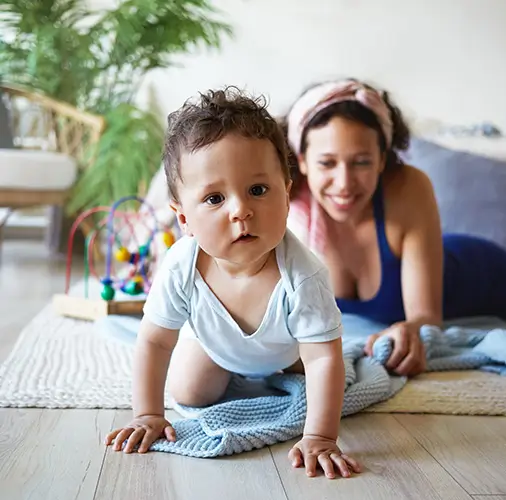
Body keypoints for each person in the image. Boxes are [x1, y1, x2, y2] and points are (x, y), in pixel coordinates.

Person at [105, 87, 361, 480]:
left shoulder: (303, 274)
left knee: (327, 371)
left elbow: (322, 358)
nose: (241, 210)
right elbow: (155, 341)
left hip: (288, 350)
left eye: (258, 190)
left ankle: (276, 375)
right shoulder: (181, 268)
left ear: (287, 195)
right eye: (213, 199)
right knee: (189, 391)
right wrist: (147, 414)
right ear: (183, 218)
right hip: (217, 350)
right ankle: (235, 375)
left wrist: (320, 436)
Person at [282, 78, 506, 377]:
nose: (344, 183)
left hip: (477, 274)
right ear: (303, 160)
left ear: (381, 159)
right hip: (440, 256)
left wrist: (413, 328)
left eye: (361, 162)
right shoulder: (285, 209)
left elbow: (425, 317)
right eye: (327, 163)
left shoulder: (407, 186)